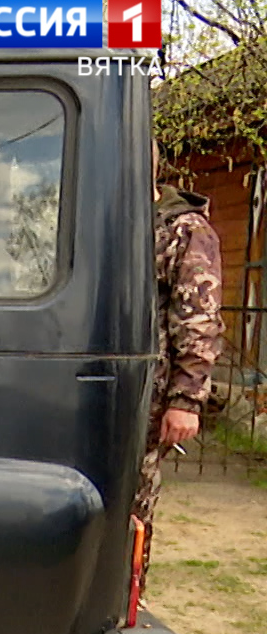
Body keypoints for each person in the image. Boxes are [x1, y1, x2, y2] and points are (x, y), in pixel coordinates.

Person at [136, 148, 224, 545]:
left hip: (148, 399)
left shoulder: (184, 229)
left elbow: (199, 318)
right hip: (97, 388)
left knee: (133, 509)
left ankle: (128, 598)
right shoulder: (114, 220)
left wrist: (185, 400)